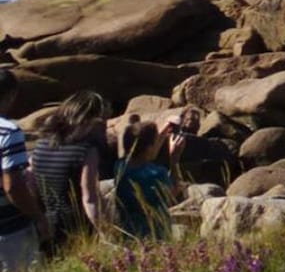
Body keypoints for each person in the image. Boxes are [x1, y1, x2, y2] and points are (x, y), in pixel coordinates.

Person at [33, 90, 110, 248]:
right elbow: (89, 198)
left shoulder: (41, 144)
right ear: (92, 119)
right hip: (77, 226)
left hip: (47, 222)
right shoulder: (87, 149)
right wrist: (108, 234)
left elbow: (31, 181)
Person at [0, 68, 50, 272]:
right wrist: (38, 216)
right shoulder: (8, 132)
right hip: (9, 230)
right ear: (10, 95)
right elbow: (13, 187)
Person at [111, 111, 186, 239]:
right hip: (155, 234)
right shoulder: (156, 173)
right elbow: (171, 196)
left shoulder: (120, 166)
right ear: (148, 148)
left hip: (128, 231)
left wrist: (164, 130)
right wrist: (174, 160)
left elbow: (142, 149)